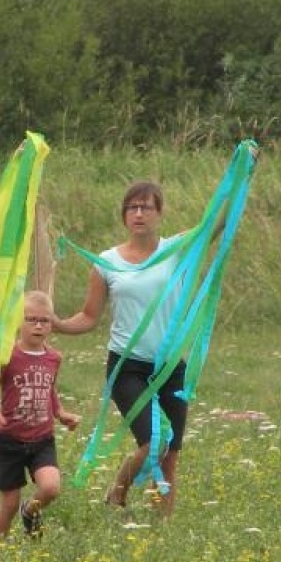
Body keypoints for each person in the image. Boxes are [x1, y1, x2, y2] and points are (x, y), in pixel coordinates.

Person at [53, 179, 194, 516]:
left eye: (147, 207)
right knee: (154, 443)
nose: (139, 213)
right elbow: (88, 317)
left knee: (170, 454)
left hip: (171, 367)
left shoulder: (176, 250)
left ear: (159, 213)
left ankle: (163, 529)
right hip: (127, 368)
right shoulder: (106, 261)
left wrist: (241, 175)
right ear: (124, 216)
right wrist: (56, 324)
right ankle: (119, 487)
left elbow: (215, 224)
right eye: (133, 207)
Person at [0, 290, 80, 540]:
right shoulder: (7, 356)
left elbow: (49, 387)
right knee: (8, 503)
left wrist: (61, 413)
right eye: (32, 319)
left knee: (51, 488)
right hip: (9, 440)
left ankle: (29, 512)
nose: (39, 326)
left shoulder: (53, 358)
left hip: (42, 439)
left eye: (45, 320)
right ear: (18, 321)